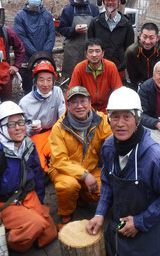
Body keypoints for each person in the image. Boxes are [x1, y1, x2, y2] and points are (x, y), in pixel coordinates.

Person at [86, 87, 160, 255]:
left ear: (137, 119)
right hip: (120, 223)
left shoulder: (155, 157)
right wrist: (100, 213)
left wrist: (139, 222)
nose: (120, 124)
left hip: (148, 226)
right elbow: (107, 182)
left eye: (127, 117)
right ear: (108, 120)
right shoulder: (108, 147)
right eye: (115, 117)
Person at [0, 101, 58, 252]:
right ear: (1, 128)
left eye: (21, 122)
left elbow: (37, 174)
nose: (19, 127)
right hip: (5, 202)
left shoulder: (27, 145)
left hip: (27, 195)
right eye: (11, 124)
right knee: (37, 224)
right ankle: (6, 240)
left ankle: (26, 226)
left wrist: (38, 202)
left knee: (49, 233)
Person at [48, 86, 112, 228]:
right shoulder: (58, 128)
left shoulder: (100, 120)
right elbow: (59, 160)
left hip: (90, 168)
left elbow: (112, 139)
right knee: (69, 186)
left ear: (89, 102)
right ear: (68, 106)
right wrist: (84, 175)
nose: (79, 106)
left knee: (107, 191)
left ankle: (81, 196)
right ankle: (66, 213)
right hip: (62, 170)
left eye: (83, 101)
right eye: (74, 102)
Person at [19, 61, 66, 171]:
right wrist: (31, 129)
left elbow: (63, 116)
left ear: (54, 81)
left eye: (49, 80)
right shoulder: (25, 102)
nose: (45, 84)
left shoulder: (57, 92)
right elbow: (20, 129)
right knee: (38, 165)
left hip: (55, 131)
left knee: (61, 155)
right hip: (35, 136)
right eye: (41, 80)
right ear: (35, 81)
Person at [14, 0, 56, 93]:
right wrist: (36, 56)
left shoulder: (47, 16)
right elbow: (22, 39)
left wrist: (43, 57)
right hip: (27, 61)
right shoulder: (20, 17)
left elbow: (51, 36)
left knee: (45, 89)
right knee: (28, 91)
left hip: (45, 60)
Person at [87, 0, 134, 78]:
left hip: (119, 72)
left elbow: (129, 50)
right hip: (98, 71)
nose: (110, 2)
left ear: (119, 1)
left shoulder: (126, 25)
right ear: (102, 1)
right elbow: (89, 47)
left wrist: (123, 66)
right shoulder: (95, 23)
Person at [58, 0, 100, 78]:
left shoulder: (94, 9)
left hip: (91, 52)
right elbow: (61, 29)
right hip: (72, 52)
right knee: (73, 78)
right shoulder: (68, 10)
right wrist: (74, 30)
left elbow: (98, 30)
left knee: (90, 77)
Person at [68, 38, 123, 113]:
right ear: (86, 54)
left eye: (97, 51)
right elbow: (71, 92)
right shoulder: (79, 68)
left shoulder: (111, 67)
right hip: (85, 109)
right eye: (91, 51)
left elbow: (118, 91)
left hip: (106, 108)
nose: (94, 55)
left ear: (103, 53)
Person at [125, 22, 160, 90]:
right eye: (144, 37)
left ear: (157, 38)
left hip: (158, 86)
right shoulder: (131, 52)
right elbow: (132, 77)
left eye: (151, 38)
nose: (147, 41)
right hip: (139, 85)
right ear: (140, 35)